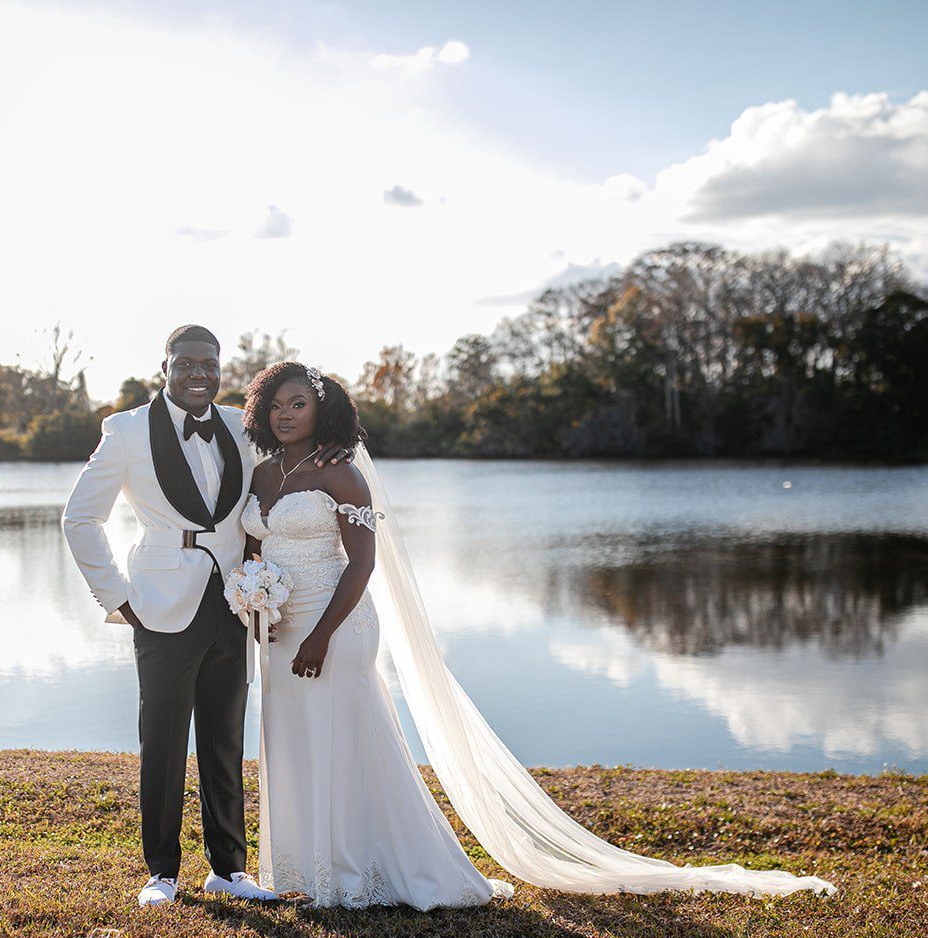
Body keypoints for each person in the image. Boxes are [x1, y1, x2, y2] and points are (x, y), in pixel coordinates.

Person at [240, 361, 838, 908]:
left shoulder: (341, 474)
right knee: (293, 739)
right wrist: (257, 603)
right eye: (275, 406)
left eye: (297, 403)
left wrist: (320, 635)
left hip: (336, 626)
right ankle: (300, 870)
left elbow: (363, 565)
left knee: (344, 737)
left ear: (321, 408)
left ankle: (357, 871)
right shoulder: (265, 473)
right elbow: (252, 547)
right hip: (280, 627)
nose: (285, 415)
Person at [61, 326, 353, 908]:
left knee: (224, 738)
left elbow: (288, 466)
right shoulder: (124, 431)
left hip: (235, 603)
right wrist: (115, 597)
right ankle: (162, 873)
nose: (200, 373)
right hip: (159, 604)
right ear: (164, 367)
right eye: (187, 363)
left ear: (220, 369)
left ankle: (229, 869)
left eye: (209, 364)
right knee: (163, 740)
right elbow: (79, 519)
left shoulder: (240, 428)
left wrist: (329, 452)